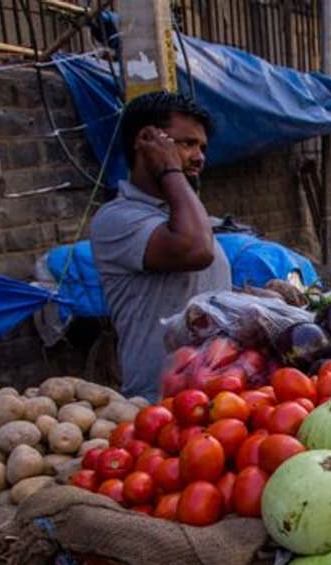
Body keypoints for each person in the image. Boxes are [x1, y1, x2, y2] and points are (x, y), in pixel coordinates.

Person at [91, 91, 231, 401]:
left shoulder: (179, 215)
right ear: (147, 140)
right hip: (161, 403)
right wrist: (170, 169)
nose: (199, 157)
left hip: (214, 391)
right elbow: (195, 250)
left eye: (202, 147)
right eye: (186, 144)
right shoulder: (117, 218)